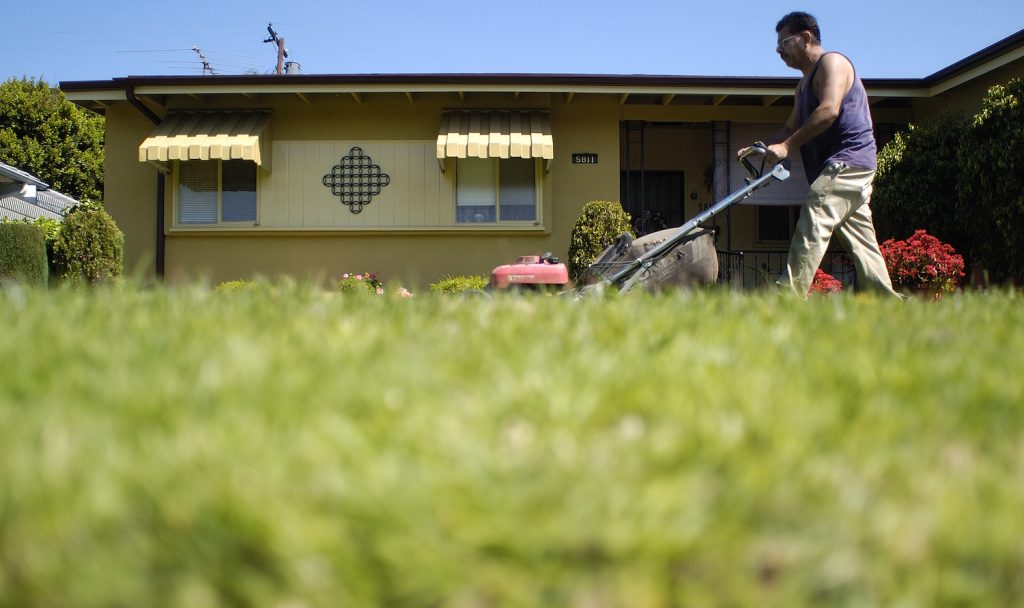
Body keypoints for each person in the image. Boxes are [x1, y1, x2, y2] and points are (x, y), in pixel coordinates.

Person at [738, 11, 900, 298]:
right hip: (839, 166)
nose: (778, 50)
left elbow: (828, 110)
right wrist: (762, 147)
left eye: (783, 42)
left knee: (814, 213)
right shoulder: (802, 86)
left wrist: (787, 147)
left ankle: (787, 296)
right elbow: (790, 127)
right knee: (862, 241)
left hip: (849, 161)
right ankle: (888, 303)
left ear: (805, 38)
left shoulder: (833, 63)